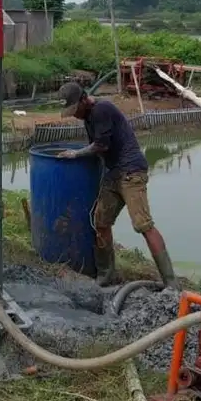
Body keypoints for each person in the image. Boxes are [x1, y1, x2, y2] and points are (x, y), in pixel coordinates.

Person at [57, 82, 177, 289]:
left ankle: (171, 282)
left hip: (131, 172)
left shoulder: (101, 110)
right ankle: (106, 274)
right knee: (101, 222)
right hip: (113, 173)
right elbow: (100, 150)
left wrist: (75, 154)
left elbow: (101, 145)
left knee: (143, 225)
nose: (74, 115)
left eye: (75, 109)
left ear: (84, 100)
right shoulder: (88, 117)